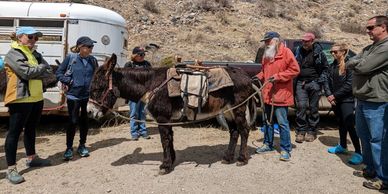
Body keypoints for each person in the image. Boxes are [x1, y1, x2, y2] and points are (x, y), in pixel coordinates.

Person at [3, 26, 52, 184]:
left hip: (36, 98)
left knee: (31, 129)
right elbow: (26, 73)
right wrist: (41, 68)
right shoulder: (13, 54)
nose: (34, 40)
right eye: (30, 37)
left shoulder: (34, 54)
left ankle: (32, 158)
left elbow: (48, 71)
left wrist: (38, 69)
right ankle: (11, 169)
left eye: (36, 38)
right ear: (19, 37)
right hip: (20, 99)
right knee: (14, 134)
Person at [346, 15, 388, 190]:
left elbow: (363, 67)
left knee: (378, 141)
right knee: (365, 137)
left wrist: (358, 63)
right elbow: (351, 61)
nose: (368, 31)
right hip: (363, 99)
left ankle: (383, 178)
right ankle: (370, 169)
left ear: (383, 27)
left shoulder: (385, 48)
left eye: (371, 27)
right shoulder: (370, 48)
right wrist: (358, 62)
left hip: (377, 100)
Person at [254, 31, 300, 161]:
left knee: (282, 123)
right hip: (268, 94)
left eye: (268, 41)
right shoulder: (267, 55)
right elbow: (264, 72)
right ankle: (268, 144)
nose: (266, 44)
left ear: (276, 40)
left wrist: (279, 77)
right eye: (265, 41)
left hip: (280, 95)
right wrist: (256, 78)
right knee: (267, 121)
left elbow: (295, 70)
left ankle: (286, 149)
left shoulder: (286, 53)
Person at [56, 36, 98, 160]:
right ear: (80, 47)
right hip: (73, 96)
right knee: (73, 121)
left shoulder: (93, 60)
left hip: (87, 97)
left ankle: (82, 145)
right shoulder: (71, 58)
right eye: (89, 46)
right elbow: (59, 73)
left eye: (92, 46)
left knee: (84, 122)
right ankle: (69, 148)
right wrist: (69, 81)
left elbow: (96, 77)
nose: (91, 49)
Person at [323, 43, 362, 165]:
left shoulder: (349, 66)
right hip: (335, 100)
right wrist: (329, 95)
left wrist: (334, 95)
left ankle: (358, 152)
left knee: (350, 125)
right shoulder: (332, 65)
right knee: (341, 123)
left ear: (343, 52)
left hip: (347, 100)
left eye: (335, 52)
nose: (333, 54)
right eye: (331, 52)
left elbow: (349, 85)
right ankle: (343, 146)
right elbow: (326, 81)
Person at [294, 32, 329, 143]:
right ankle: (301, 130)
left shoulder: (319, 53)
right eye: (303, 41)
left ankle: (312, 131)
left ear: (312, 41)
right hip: (300, 82)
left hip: (314, 83)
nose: (304, 43)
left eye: (307, 41)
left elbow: (325, 68)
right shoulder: (297, 51)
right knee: (301, 106)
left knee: (314, 108)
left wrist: (320, 81)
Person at [124, 47, 151, 140]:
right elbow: (125, 80)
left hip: (143, 92)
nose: (142, 56)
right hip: (133, 93)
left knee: (142, 112)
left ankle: (143, 131)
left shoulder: (147, 64)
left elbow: (150, 77)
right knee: (134, 113)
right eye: (140, 54)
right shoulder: (129, 65)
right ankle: (134, 132)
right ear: (135, 55)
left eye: (143, 54)